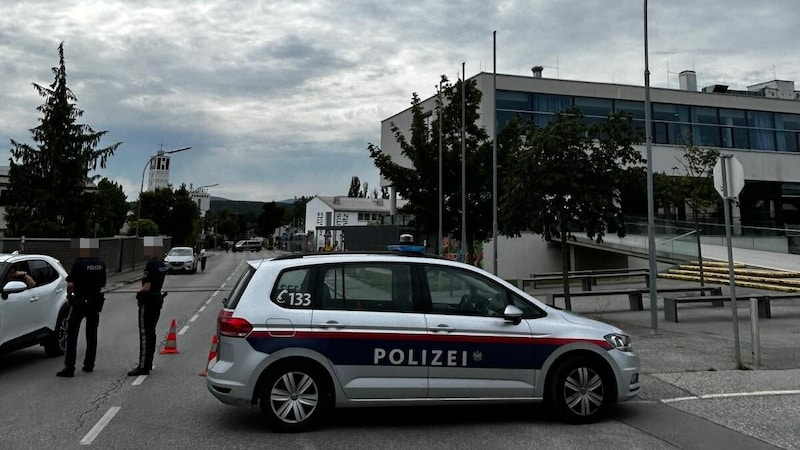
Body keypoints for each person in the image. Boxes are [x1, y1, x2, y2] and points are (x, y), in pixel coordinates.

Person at [56, 251, 107, 377]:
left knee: (72, 333)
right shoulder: (101, 263)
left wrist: (70, 296)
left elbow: (71, 284)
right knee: (92, 334)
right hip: (95, 301)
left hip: (79, 302)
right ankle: (89, 364)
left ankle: (69, 367)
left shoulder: (78, 264)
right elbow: (103, 282)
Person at [128, 255, 168, 376]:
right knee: (152, 332)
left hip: (148, 301)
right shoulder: (162, 264)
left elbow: (146, 287)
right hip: (157, 299)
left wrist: (138, 293)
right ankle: (148, 363)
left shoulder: (151, 265)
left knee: (145, 334)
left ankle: (143, 366)